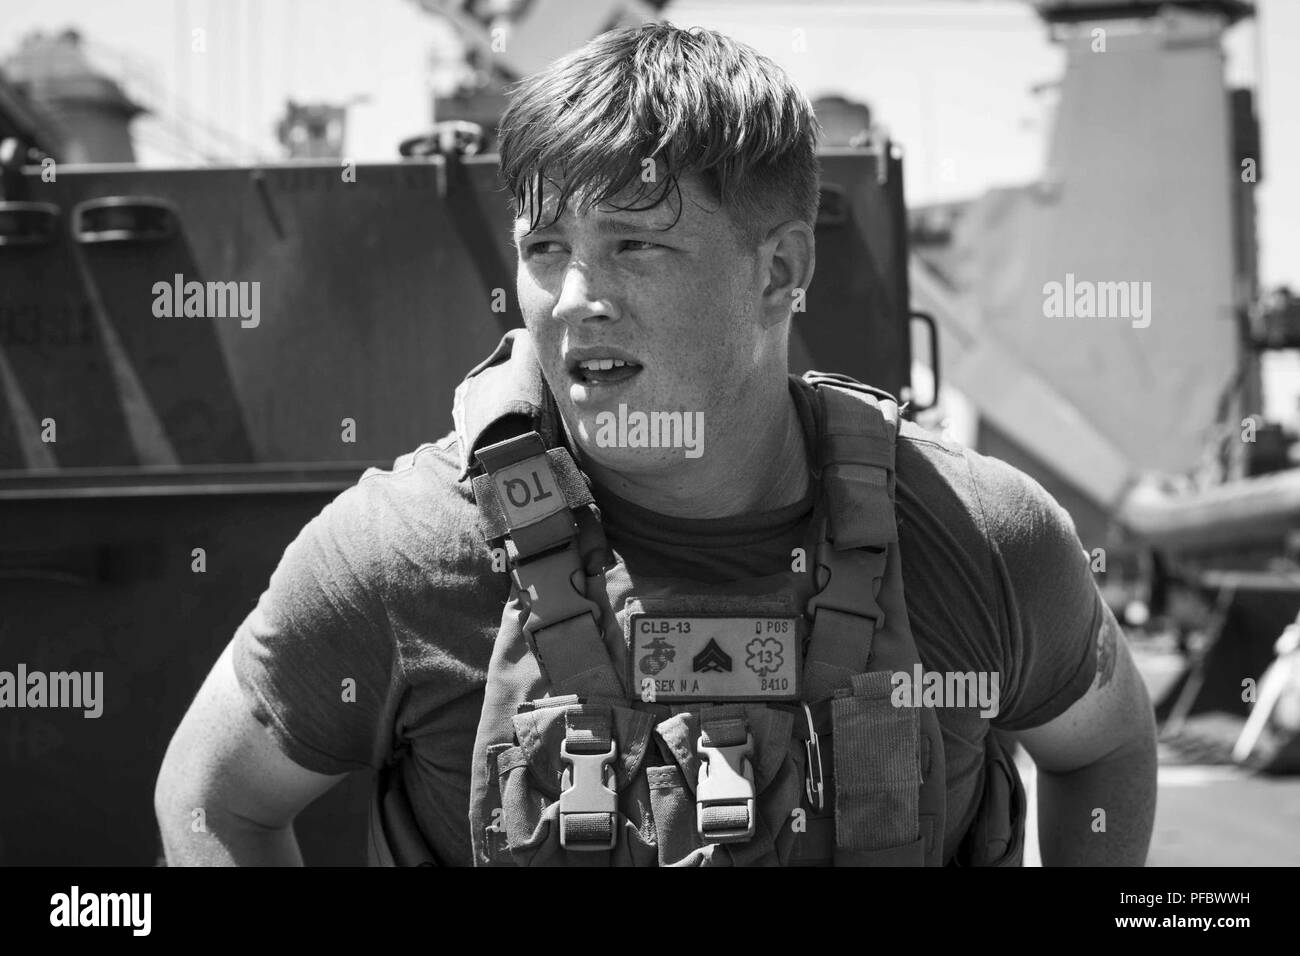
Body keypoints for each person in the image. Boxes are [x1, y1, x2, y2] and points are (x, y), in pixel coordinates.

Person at [154, 22, 1157, 866]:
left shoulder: (978, 535)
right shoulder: (406, 550)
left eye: (635, 244)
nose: (577, 299)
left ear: (781, 269)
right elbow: (213, 800)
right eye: (547, 249)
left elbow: (1102, 744)